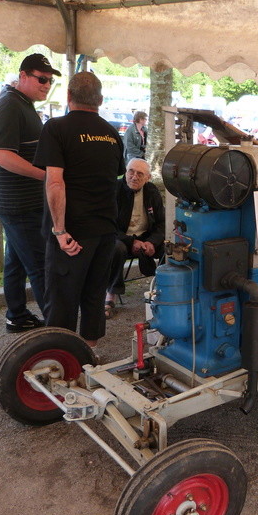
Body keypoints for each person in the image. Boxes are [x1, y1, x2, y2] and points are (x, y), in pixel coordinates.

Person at [34, 71, 125, 347]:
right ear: (99, 99)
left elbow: (55, 182)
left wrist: (60, 230)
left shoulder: (56, 128)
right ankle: (88, 356)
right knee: (94, 295)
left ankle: (62, 361)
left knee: (62, 298)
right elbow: (114, 179)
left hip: (73, 231)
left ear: (69, 96)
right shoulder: (112, 133)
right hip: (105, 229)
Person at [0, 53, 60, 333]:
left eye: (49, 81)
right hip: (18, 203)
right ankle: (57, 330)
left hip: (23, 201)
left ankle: (16, 315)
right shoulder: (8, 106)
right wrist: (45, 176)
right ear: (23, 76)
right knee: (40, 266)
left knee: (16, 262)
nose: (46, 84)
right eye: (41, 79)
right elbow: (1, 156)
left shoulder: (23, 105)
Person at [104, 158, 165, 317]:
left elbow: (161, 224)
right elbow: (108, 225)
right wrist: (131, 241)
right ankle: (111, 293)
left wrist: (152, 242)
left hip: (146, 238)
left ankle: (163, 288)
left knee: (169, 248)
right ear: (125, 172)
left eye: (140, 174)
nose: (134, 177)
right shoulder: (115, 190)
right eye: (131, 171)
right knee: (116, 248)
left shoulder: (152, 191)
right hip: (122, 238)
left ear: (148, 178)